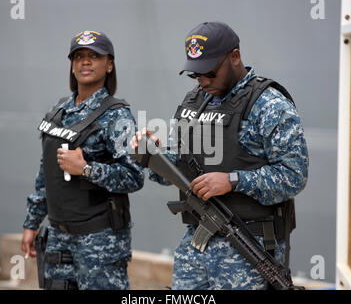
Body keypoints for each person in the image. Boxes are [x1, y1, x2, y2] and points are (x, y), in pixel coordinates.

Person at [131, 21, 308, 290]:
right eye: (195, 75)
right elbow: (174, 173)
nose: (203, 81)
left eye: (210, 73)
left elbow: (294, 176)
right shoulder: (195, 102)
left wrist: (233, 180)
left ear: (235, 56)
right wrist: (151, 155)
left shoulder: (269, 105)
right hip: (196, 250)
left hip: (249, 250)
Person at [21, 30, 144, 290]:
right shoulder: (60, 112)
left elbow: (134, 177)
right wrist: (32, 223)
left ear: (109, 64)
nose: (85, 62)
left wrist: (87, 169)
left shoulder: (117, 116)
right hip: (58, 236)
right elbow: (46, 174)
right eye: (78, 56)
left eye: (94, 56)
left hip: (100, 241)